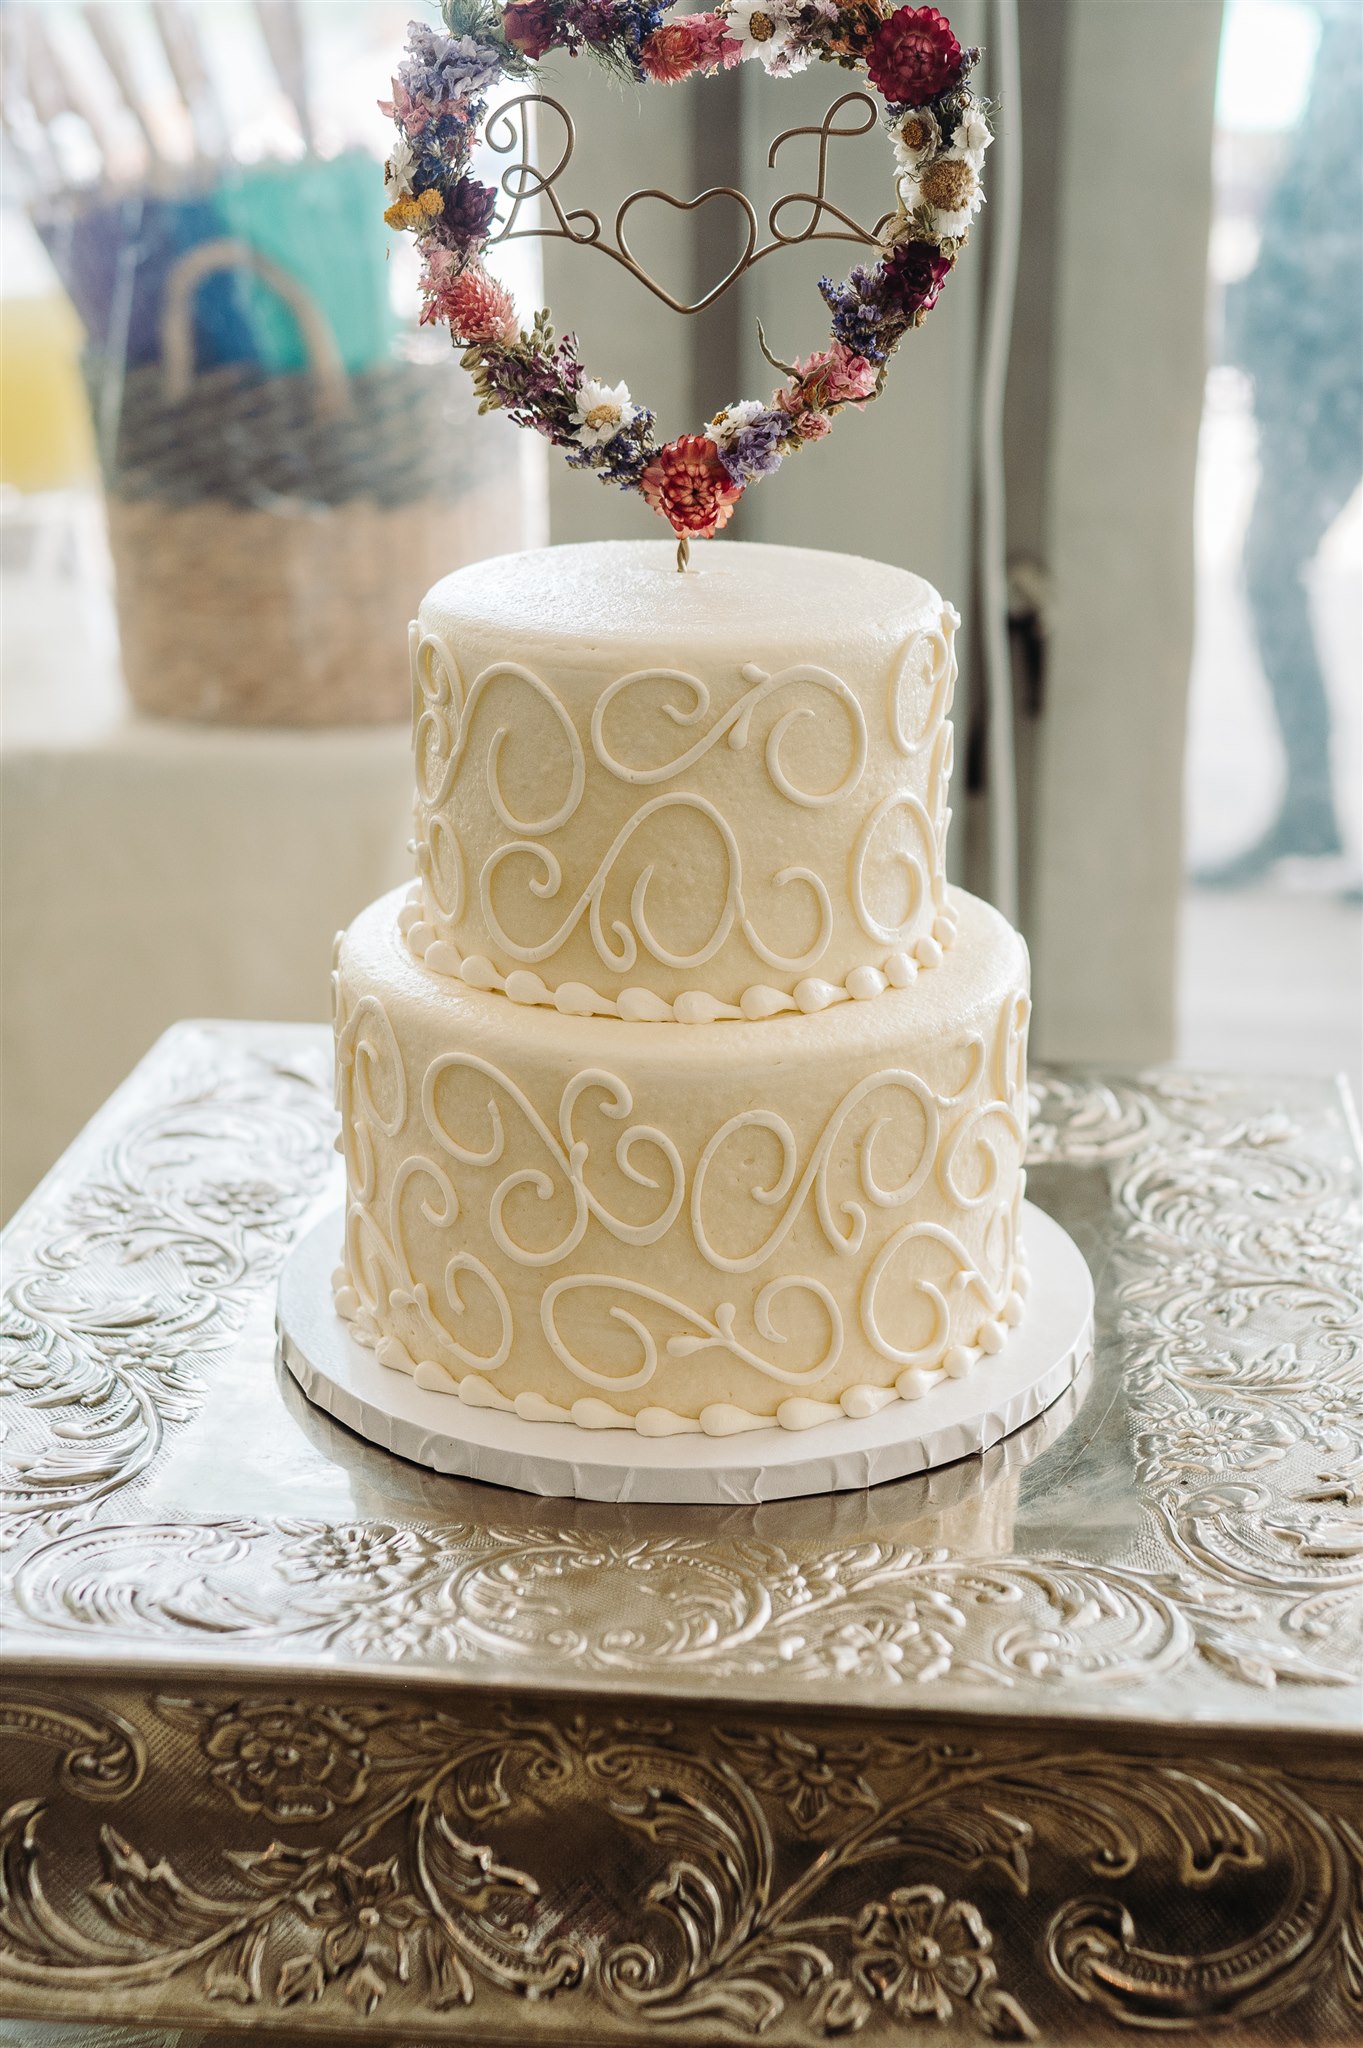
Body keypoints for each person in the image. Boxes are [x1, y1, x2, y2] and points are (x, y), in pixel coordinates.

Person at [1199, 2, 1362, 887]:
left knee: (1267, 570)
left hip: (1339, 370)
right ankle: (1306, 802)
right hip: (1315, 372)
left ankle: (1306, 804)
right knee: (1267, 572)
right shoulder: (1338, 44)